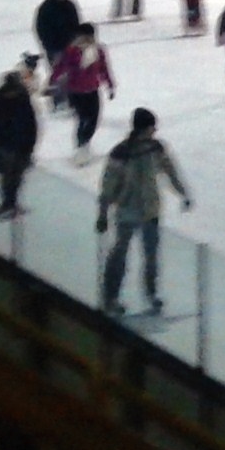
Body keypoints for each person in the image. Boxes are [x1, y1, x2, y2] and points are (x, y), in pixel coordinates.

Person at [96, 106, 192, 316]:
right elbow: (108, 185)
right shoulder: (121, 153)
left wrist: (183, 193)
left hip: (150, 211)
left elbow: (170, 171)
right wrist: (103, 213)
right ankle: (110, 297)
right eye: (152, 127)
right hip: (127, 211)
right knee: (119, 256)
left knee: (151, 257)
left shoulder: (156, 148)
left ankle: (151, 293)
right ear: (143, 128)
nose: (155, 130)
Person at [0, 60, 40, 217]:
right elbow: (31, 123)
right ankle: (9, 203)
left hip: (10, 144)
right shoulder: (19, 97)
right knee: (12, 176)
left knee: (10, 176)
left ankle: (9, 203)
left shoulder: (2, 97)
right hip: (13, 144)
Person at [54, 22, 116, 154]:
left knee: (94, 118)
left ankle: (84, 143)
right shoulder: (72, 51)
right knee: (83, 118)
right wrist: (53, 81)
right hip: (76, 91)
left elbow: (104, 69)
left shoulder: (98, 51)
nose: (88, 39)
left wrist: (110, 85)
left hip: (92, 90)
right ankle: (81, 145)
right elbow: (61, 67)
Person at [34, 0, 80, 74]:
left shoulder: (70, 5)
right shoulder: (46, 7)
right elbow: (40, 27)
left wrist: (75, 41)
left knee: (71, 73)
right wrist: (47, 43)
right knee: (57, 74)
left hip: (69, 46)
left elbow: (76, 24)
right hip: (53, 48)